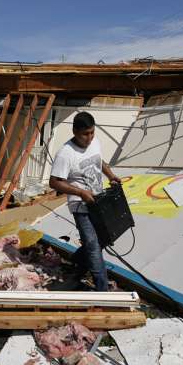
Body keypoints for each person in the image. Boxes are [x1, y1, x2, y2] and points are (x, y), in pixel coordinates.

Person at [49, 112, 121, 291]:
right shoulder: (65, 154)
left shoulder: (94, 142)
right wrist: (80, 192)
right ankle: (102, 290)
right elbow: (54, 181)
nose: (89, 138)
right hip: (80, 204)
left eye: (92, 133)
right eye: (85, 134)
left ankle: (78, 264)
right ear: (74, 131)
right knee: (93, 244)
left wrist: (111, 175)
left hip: (98, 201)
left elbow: (98, 160)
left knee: (104, 238)